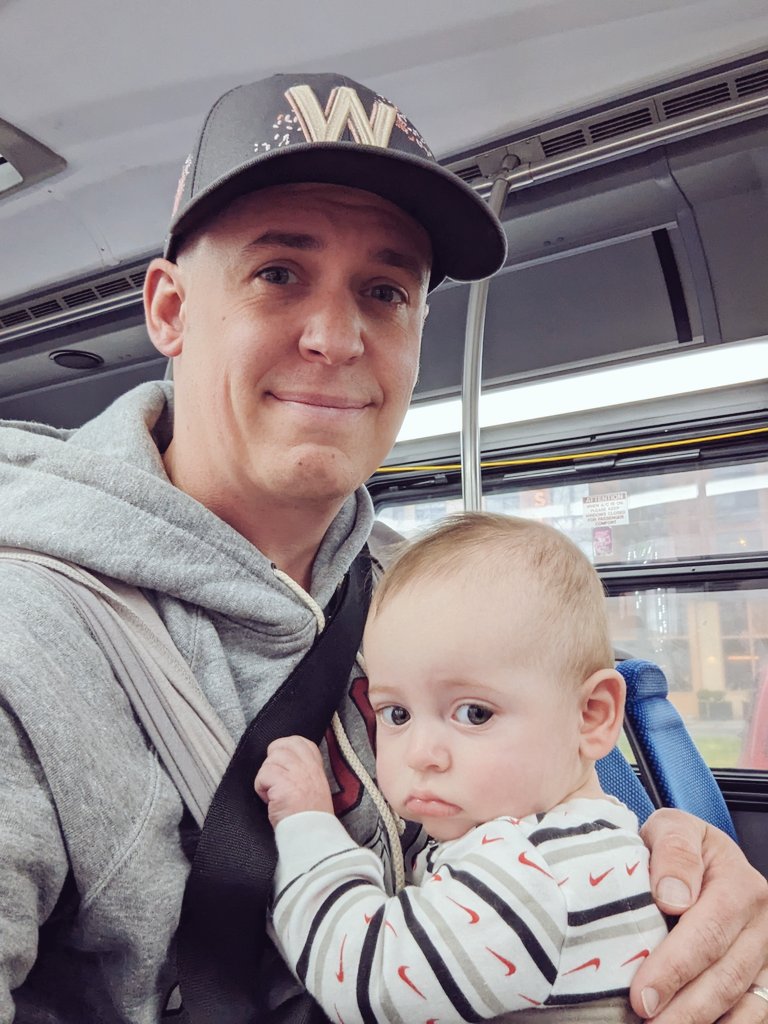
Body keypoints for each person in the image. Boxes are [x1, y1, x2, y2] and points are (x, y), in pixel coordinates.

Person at [0, 72, 765, 1024]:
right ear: (170, 310)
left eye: (384, 290)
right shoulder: (23, 642)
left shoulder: (433, 588)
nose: (336, 336)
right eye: (278, 273)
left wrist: (675, 868)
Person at [255, 512, 670, 1023]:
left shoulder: (524, 871)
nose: (421, 753)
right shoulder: (601, 837)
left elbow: (364, 979)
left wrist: (308, 826)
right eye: (397, 714)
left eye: (475, 713)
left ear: (592, 716)